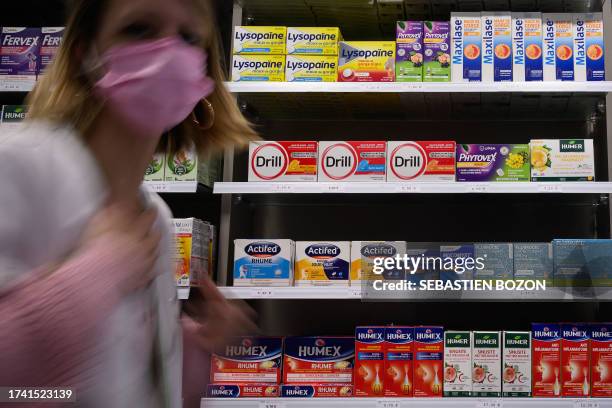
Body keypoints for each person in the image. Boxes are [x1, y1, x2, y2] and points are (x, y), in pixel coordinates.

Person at [0, 0, 258, 406]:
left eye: (189, 38)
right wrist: (97, 271)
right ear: (87, 53)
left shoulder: (155, 216)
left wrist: (193, 351)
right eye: (139, 29)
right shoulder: (17, 164)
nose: (169, 51)